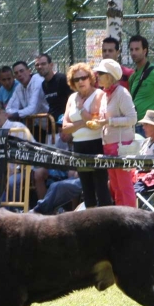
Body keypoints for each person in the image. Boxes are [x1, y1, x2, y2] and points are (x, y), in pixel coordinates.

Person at [62, 63, 112, 208]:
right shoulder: (72, 97)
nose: (80, 81)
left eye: (83, 77)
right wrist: (83, 123)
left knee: (101, 189)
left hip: (96, 144)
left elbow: (95, 121)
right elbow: (65, 128)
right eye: (76, 79)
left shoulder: (98, 94)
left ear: (90, 78)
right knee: (87, 190)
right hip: (78, 146)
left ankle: (109, 223)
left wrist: (80, 109)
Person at [90, 59, 138, 207]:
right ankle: (120, 220)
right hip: (109, 145)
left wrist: (108, 122)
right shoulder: (104, 95)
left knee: (125, 186)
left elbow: (132, 118)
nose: (97, 76)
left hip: (122, 146)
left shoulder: (122, 93)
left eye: (101, 73)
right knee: (115, 187)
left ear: (110, 76)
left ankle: (132, 219)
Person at [35, 53, 73, 128]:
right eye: (37, 65)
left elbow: (72, 103)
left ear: (51, 65)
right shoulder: (43, 84)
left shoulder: (62, 79)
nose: (40, 67)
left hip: (65, 126)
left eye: (43, 64)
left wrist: (64, 123)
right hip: (52, 127)